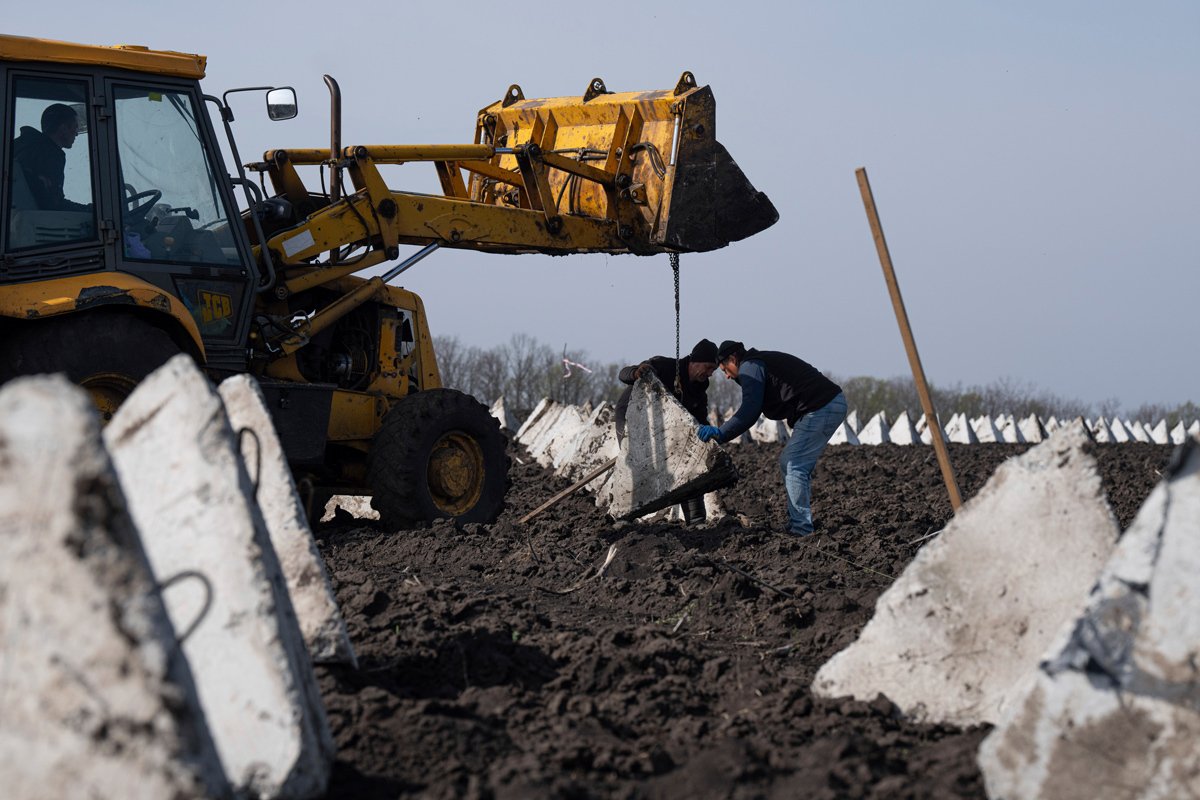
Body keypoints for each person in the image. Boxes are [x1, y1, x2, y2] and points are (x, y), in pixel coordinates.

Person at [697, 340, 847, 536]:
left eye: (725, 369)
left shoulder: (750, 366)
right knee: (792, 464)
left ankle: (801, 529)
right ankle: (798, 523)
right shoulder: (758, 363)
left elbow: (751, 408)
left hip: (821, 407)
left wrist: (722, 432)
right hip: (823, 405)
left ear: (733, 359)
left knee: (793, 464)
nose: (726, 376)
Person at [614, 338, 719, 442]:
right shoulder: (663, 366)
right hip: (629, 413)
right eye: (708, 367)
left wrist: (712, 434)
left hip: (658, 426)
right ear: (695, 361)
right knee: (629, 449)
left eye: (713, 370)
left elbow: (699, 420)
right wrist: (635, 373)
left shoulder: (699, 393)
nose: (710, 373)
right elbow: (623, 374)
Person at [12, 103, 90, 212]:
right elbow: (54, 204)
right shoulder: (50, 154)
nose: (76, 134)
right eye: (75, 127)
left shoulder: (22, 147)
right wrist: (90, 210)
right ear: (63, 129)